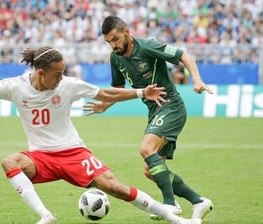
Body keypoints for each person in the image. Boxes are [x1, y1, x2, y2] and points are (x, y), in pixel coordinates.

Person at [0, 47, 201, 224]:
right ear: (41, 72)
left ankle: (175, 218)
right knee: (9, 161)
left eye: (63, 74)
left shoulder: (68, 85)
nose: (61, 78)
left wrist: (141, 92)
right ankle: (46, 216)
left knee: (115, 188)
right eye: (56, 74)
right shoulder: (15, 87)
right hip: (41, 157)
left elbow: (106, 93)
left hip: (73, 152)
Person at [83, 16, 214, 221]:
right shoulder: (115, 57)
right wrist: (104, 106)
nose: (113, 45)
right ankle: (198, 200)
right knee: (151, 171)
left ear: (127, 31)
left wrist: (197, 80)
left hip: (171, 106)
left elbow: (184, 55)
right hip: (155, 111)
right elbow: (118, 89)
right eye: (108, 41)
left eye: (115, 39)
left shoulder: (147, 46)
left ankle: (170, 204)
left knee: (146, 149)